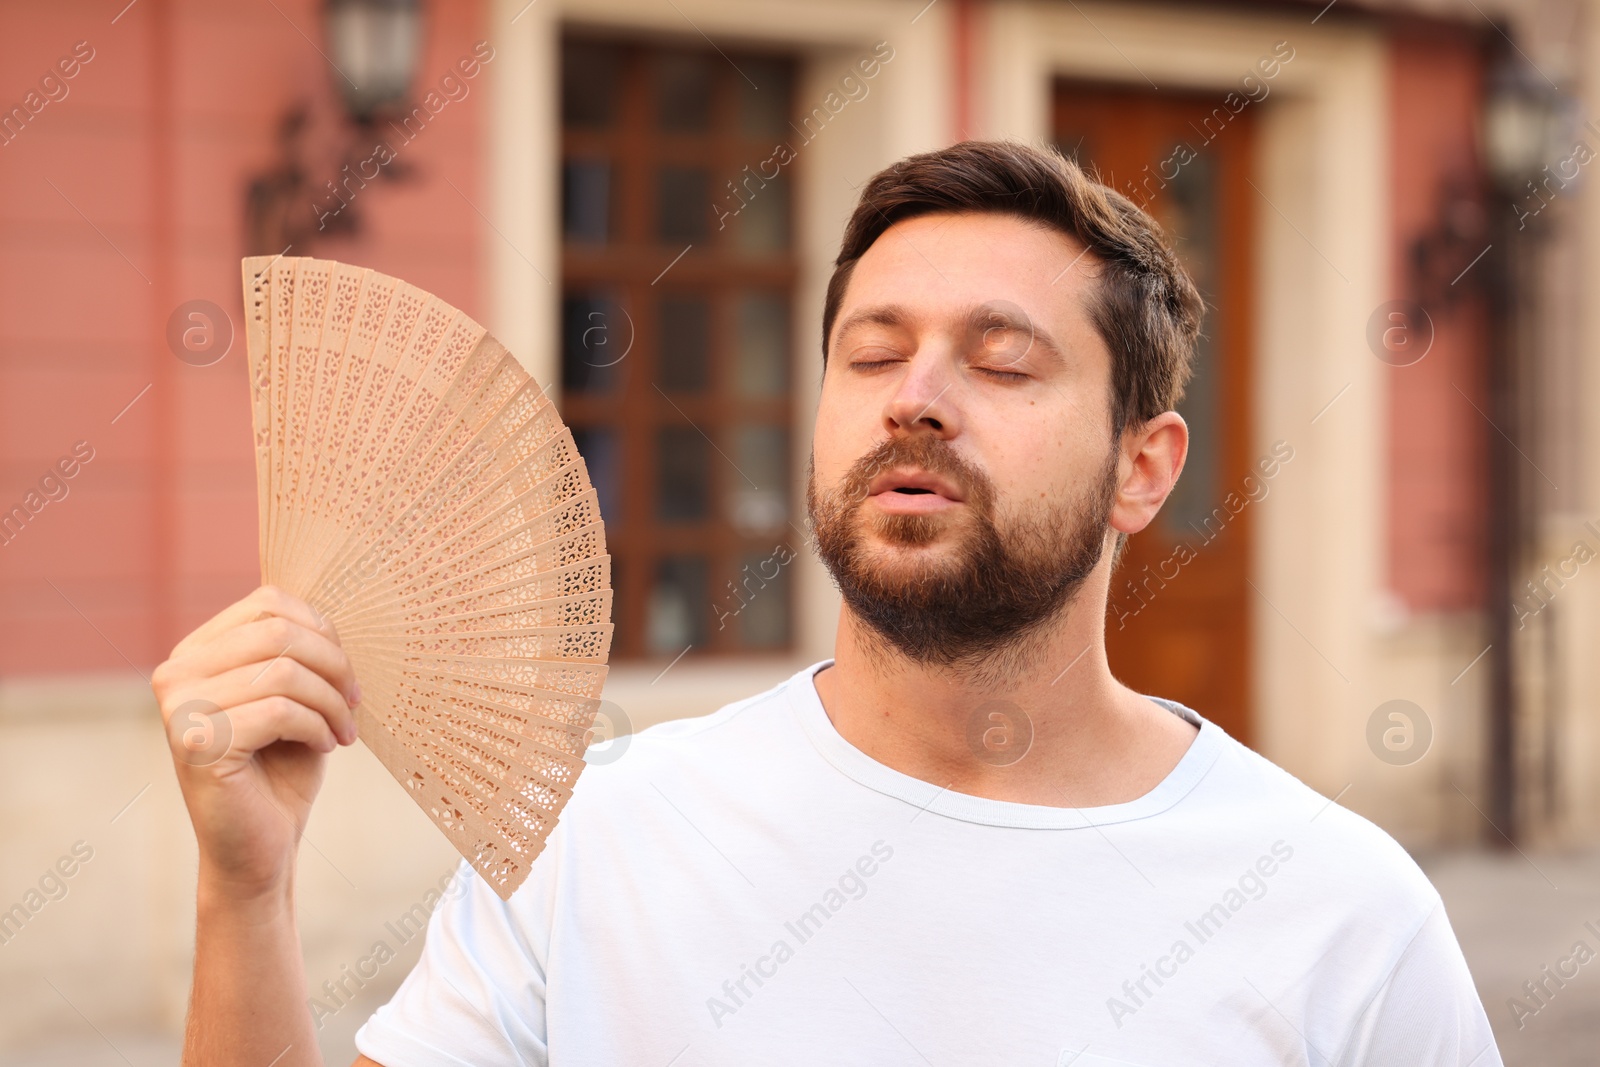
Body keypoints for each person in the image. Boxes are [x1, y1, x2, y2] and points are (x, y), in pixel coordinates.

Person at [155, 140, 1502, 1066]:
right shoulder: (593, 838)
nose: (916, 394)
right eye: (874, 352)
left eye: (1002, 361)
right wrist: (244, 888)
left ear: (1141, 469)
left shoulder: (1338, 913)